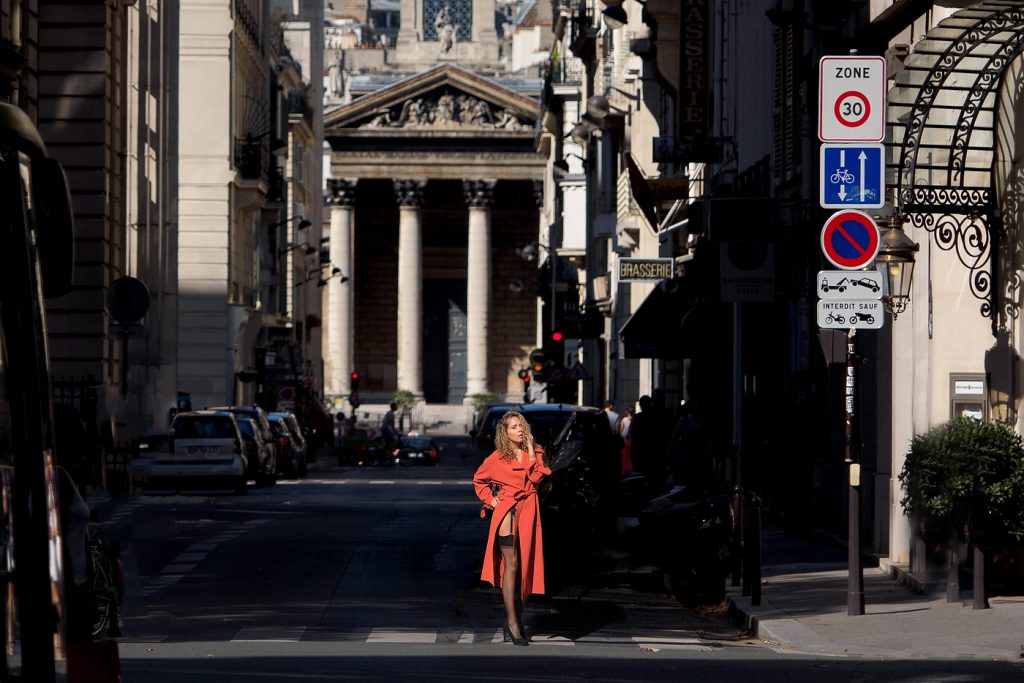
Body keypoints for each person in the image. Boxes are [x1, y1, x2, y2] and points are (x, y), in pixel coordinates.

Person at [472, 410, 550, 646]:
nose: (519, 430)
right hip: (507, 510)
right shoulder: (497, 457)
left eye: (521, 426)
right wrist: (491, 500)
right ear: (505, 433)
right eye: (514, 427)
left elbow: (536, 479)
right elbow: (479, 478)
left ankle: (515, 615)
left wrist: (530, 448)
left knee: (527, 567)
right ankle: (513, 622)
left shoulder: (536, 453)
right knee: (512, 564)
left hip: (529, 508)